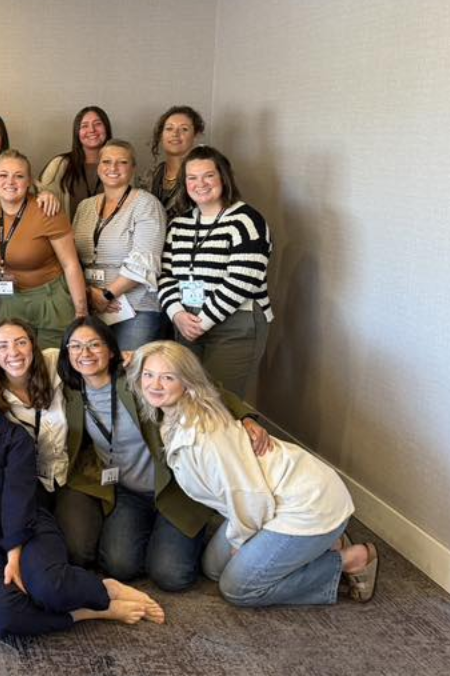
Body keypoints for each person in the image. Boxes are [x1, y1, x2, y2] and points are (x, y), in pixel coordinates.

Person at [0, 350, 163, 639]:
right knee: (6, 617)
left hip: (26, 525)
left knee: (49, 588)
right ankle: (90, 611)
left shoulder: (14, 437)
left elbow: (17, 498)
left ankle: (105, 588)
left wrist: (14, 555)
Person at [130, 341, 378, 605]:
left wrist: (243, 542)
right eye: (149, 375)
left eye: (168, 377)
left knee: (237, 588)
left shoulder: (207, 436)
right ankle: (321, 545)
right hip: (268, 498)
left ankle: (350, 558)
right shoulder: (172, 415)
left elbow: (251, 495)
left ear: (187, 382)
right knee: (213, 569)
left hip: (305, 505)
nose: (155, 385)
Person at [53, 316, 269, 591]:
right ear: (67, 352)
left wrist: (246, 416)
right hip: (127, 491)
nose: (85, 353)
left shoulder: (138, 377)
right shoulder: (71, 391)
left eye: (94, 344)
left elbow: (200, 386)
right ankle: (160, 535)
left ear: (111, 349)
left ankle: (184, 531)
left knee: (171, 576)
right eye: (75, 346)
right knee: (120, 566)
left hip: (173, 487)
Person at [157, 145, 272, 398]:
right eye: (192, 177)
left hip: (236, 324)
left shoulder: (246, 221)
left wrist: (204, 321)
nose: (200, 184)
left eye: (208, 175)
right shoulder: (179, 224)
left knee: (220, 401)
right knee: (187, 399)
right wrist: (177, 314)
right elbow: (165, 276)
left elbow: (242, 280)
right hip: (186, 321)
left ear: (223, 178)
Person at [0, 149, 88, 348]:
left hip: (50, 299)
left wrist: (81, 312)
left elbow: (70, 264)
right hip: (9, 298)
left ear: (29, 181)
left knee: (50, 360)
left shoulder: (47, 209)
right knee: (15, 360)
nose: (10, 182)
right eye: (3, 175)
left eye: (19, 176)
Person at [71, 139, 167, 351]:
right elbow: (72, 259)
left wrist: (107, 295)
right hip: (91, 305)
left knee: (129, 367)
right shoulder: (84, 207)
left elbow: (144, 261)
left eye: (122, 162)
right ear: (98, 167)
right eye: (106, 161)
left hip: (135, 307)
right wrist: (90, 293)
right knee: (95, 366)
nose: (113, 168)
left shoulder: (147, 204)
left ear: (133, 168)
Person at [0, 318, 68, 502]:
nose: (14, 352)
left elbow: (89, 358)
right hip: (23, 482)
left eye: (21, 342)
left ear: (32, 345)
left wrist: (123, 358)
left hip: (69, 473)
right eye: (2, 346)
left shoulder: (53, 361)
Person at [39, 106, 112, 219]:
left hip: (111, 230)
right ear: (77, 132)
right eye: (84, 126)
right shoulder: (60, 164)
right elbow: (40, 196)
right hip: (66, 230)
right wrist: (43, 194)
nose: (92, 130)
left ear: (106, 128)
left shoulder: (119, 166)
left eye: (97, 124)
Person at [142, 106, 205, 219]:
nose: (175, 134)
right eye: (169, 128)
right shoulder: (149, 177)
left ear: (196, 135)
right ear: (161, 135)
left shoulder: (202, 176)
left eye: (184, 129)